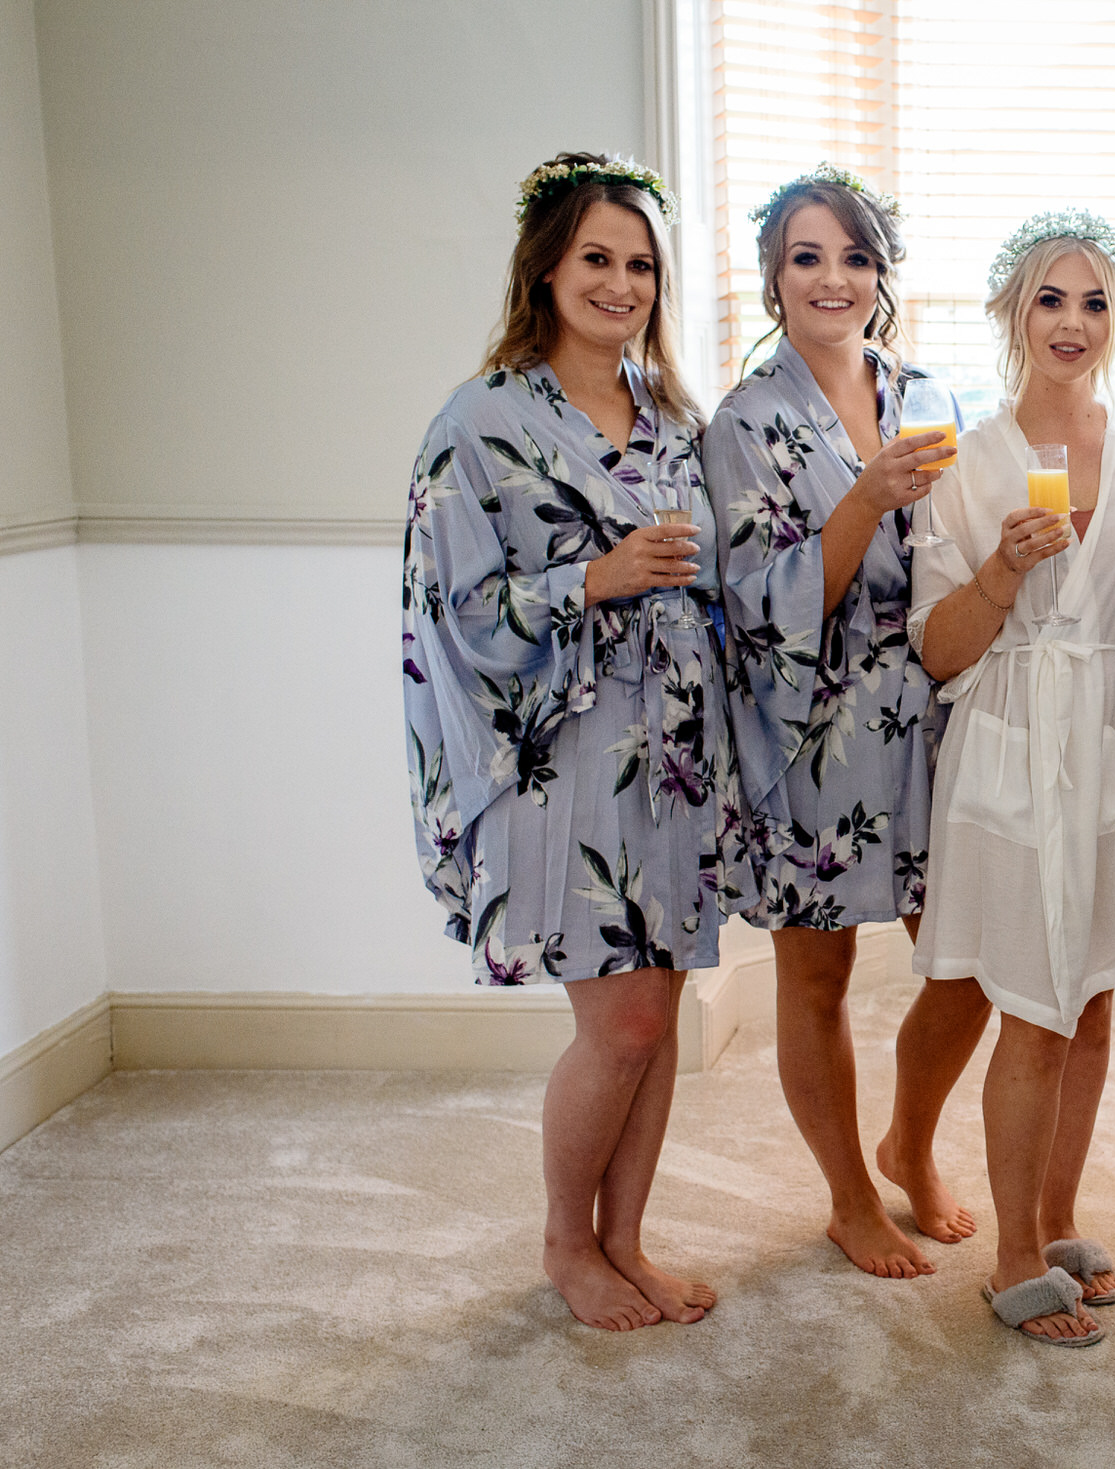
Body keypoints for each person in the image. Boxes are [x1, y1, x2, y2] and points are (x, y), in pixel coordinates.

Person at [401, 152, 737, 1331]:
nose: (621, 283)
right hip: (567, 748)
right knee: (623, 1019)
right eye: (597, 257)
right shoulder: (480, 420)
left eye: (640, 264)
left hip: (678, 751)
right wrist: (589, 579)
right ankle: (564, 1243)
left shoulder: (673, 418)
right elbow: (452, 611)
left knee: (661, 1012)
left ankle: (626, 1238)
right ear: (545, 267)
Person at [701, 165, 988, 1278]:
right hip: (807, 727)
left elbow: (961, 551)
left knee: (967, 960)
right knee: (813, 976)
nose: (834, 278)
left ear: (881, 275)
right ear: (773, 278)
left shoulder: (931, 395)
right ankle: (847, 1195)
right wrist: (862, 496)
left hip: (933, 717)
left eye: (855, 257)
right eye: (808, 257)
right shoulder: (743, 421)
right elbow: (765, 605)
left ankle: (910, 1138)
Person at [911, 211, 1115, 1346]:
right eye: (1049, 299)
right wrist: (1002, 571)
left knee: (1094, 992)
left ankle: (1056, 1211)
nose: (1072, 322)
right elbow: (937, 648)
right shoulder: (960, 461)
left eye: (1095, 301)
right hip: (1014, 732)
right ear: (1012, 311)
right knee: (1026, 1000)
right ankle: (1012, 1251)